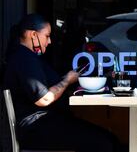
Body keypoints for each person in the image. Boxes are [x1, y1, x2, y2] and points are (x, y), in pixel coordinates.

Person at [4, 14, 118, 152]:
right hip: (37, 128)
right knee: (103, 143)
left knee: (109, 139)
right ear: (33, 35)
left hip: (44, 124)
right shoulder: (24, 59)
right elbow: (44, 99)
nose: (50, 41)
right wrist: (67, 80)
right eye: (47, 36)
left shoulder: (26, 57)